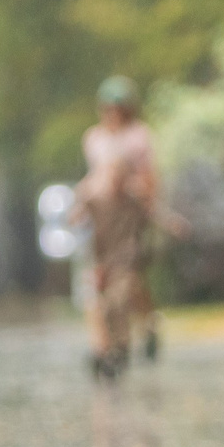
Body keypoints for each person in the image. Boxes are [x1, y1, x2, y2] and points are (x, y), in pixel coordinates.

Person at [73, 75, 165, 376]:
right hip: (101, 218)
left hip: (129, 219)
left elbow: (148, 181)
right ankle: (105, 346)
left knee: (129, 281)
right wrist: (82, 203)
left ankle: (145, 326)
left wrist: (136, 194)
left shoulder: (138, 137)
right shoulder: (94, 138)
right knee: (98, 281)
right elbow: (94, 178)